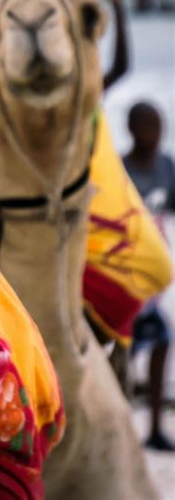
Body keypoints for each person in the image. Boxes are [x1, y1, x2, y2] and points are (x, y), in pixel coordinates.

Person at [123, 101, 175, 451]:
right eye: (147, 126)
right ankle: (120, 431)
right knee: (120, 351)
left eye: (159, 125)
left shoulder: (166, 166)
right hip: (123, 278)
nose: (155, 133)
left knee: (161, 343)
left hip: (151, 284)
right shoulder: (121, 170)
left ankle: (155, 427)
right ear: (132, 129)